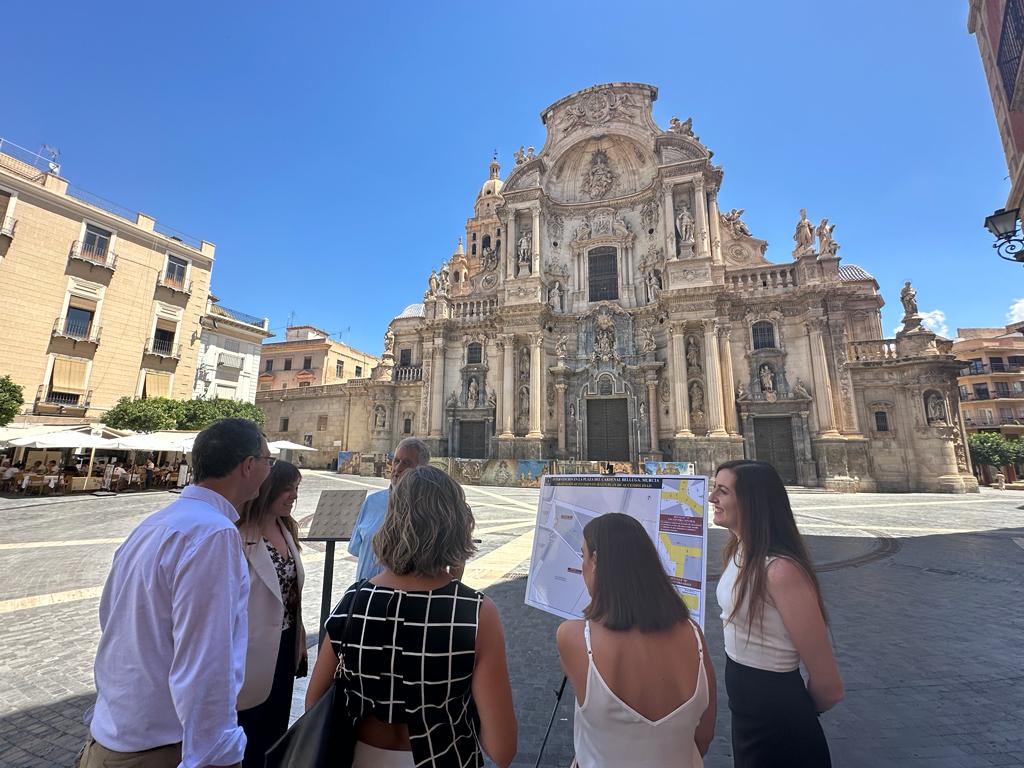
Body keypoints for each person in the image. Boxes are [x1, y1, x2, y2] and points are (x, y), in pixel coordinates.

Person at [76, 418, 272, 768]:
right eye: (267, 461)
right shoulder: (215, 534)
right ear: (248, 466)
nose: (269, 470)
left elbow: (111, 618)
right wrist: (220, 755)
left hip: (110, 736)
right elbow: (208, 662)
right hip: (161, 749)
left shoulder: (154, 524)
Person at [306, 466, 517, 768]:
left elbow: (314, 702)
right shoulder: (475, 613)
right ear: (457, 524)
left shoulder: (355, 600)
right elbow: (502, 748)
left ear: (392, 521)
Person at [711, 460, 843, 767]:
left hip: (780, 727)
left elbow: (829, 687)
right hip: (747, 719)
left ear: (751, 501)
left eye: (722, 491)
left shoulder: (781, 571)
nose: (711, 498)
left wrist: (788, 711)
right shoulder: (739, 551)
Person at [556, 513, 715, 767]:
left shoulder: (573, 638)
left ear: (595, 561)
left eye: (582, 554)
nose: (582, 565)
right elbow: (704, 736)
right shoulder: (693, 634)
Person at [236, 461, 307, 768]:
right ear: (269, 489)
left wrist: (301, 635)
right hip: (250, 648)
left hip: (285, 643)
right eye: (288, 488)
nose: (293, 496)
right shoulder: (239, 533)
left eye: (297, 489)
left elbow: (291, 594)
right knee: (248, 725)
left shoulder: (286, 528)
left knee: (276, 724)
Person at [349, 437, 434, 581]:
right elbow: (356, 548)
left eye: (406, 463)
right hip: (365, 595)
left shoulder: (429, 507)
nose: (397, 468)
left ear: (422, 470)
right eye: (396, 461)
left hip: (406, 598)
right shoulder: (372, 502)